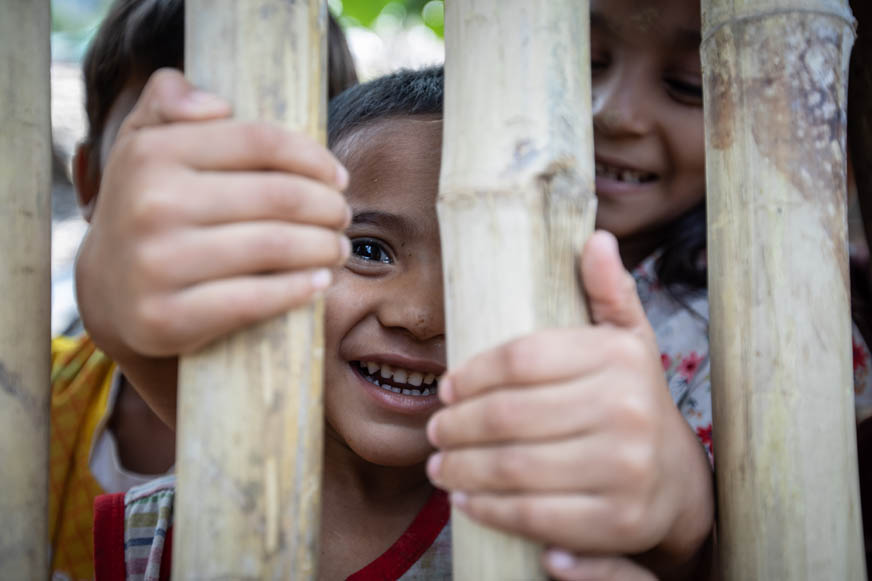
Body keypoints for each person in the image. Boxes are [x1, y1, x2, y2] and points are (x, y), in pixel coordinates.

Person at [82, 66, 713, 581]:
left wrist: (682, 509)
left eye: (477, 275)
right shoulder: (156, 533)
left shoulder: (531, 534)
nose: (418, 316)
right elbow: (127, 327)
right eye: (369, 250)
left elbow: (674, 535)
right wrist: (106, 278)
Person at [49, 2, 357, 579]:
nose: (223, 191)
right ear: (90, 180)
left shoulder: (373, 419)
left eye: (269, 158)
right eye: (179, 148)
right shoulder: (29, 399)